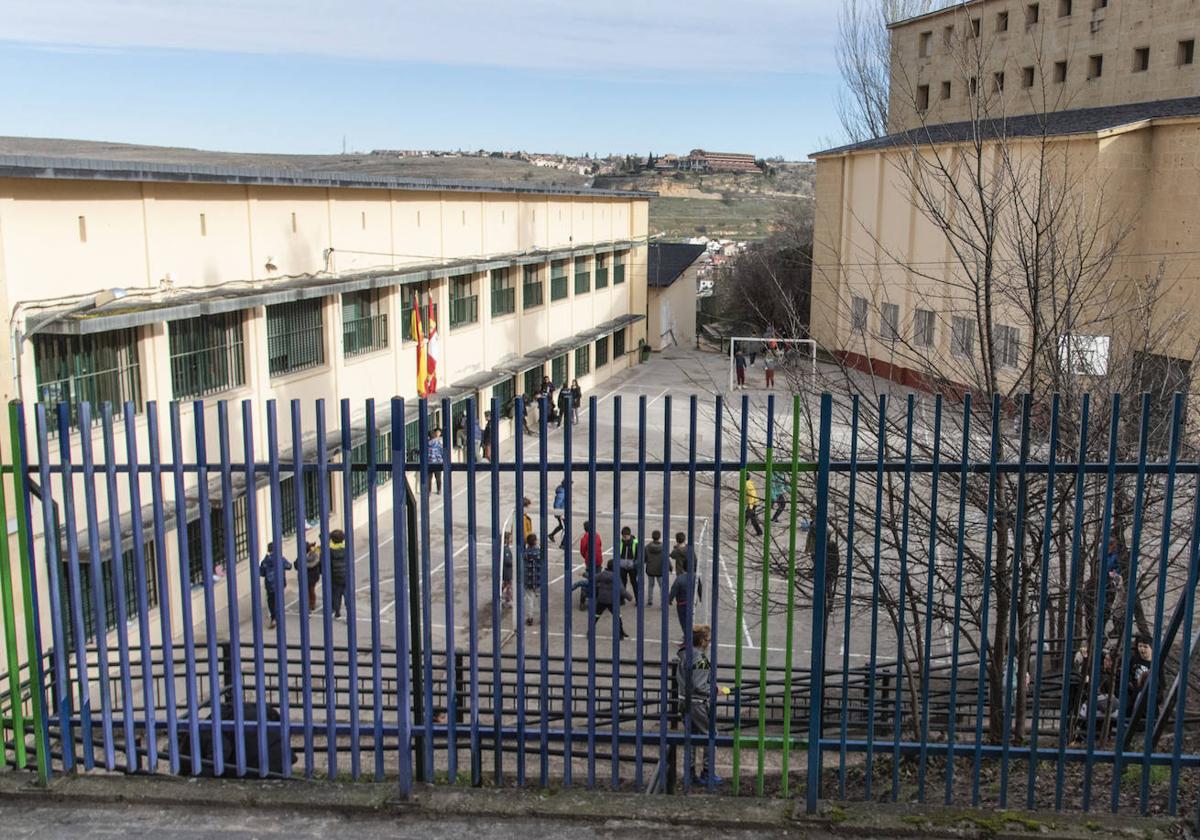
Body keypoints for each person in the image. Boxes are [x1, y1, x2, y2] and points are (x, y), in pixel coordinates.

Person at [674, 624, 721, 786]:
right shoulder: (700, 659)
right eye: (707, 640)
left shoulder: (684, 654)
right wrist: (715, 689)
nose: (709, 643)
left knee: (691, 737)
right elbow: (699, 685)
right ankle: (708, 772)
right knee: (711, 734)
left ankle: (690, 773)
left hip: (683, 700)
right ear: (701, 641)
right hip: (696, 703)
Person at [593, 560, 630, 639]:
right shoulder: (616, 576)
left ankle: (590, 632)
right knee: (618, 617)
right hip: (611, 601)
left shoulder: (603, 574)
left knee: (596, 616)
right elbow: (621, 589)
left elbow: (594, 579)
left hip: (601, 599)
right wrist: (629, 597)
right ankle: (620, 634)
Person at [259, 542, 292, 629]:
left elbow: (261, 573)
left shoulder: (265, 561)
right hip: (279, 583)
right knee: (279, 601)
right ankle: (279, 618)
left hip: (270, 585)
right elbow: (289, 566)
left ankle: (274, 618)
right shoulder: (280, 559)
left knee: (271, 601)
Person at [669, 551, 703, 635]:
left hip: (682, 603)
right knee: (690, 620)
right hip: (692, 602)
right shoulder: (696, 577)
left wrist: (669, 599)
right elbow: (700, 588)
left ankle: (687, 637)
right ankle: (689, 635)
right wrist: (701, 598)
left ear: (684, 568)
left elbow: (674, 590)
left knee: (683, 621)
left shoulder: (680, 579)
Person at [579, 520, 604, 610]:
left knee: (588, 580)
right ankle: (597, 600)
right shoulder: (597, 535)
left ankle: (582, 601)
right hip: (598, 560)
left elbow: (582, 550)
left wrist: (586, 557)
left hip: (590, 561)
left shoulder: (585, 538)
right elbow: (600, 545)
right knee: (597, 580)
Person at [522, 533, 544, 627]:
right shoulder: (539, 552)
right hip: (539, 578)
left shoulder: (526, 553)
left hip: (529, 579)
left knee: (530, 599)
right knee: (540, 599)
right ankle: (542, 617)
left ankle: (530, 617)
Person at [328, 529, 349, 620]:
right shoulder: (345, 549)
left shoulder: (330, 551)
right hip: (345, 575)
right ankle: (349, 612)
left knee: (336, 595)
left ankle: (337, 612)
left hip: (335, 576)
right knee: (347, 594)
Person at [618, 526, 640, 603]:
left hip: (632, 566)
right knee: (622, 583)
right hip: (622, 566)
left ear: (629, 535)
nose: (623, 538)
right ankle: (621, 599)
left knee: (634, 583)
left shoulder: (635, 543)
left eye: (625, 537)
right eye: (623, 536)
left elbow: (639, 555)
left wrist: (635, 564)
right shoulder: (620, 542)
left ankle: (638, 600)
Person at [644, 530, 665, 607]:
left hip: (650, 569)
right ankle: (663, 602)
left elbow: (645, 558)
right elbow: (665, 558)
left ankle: (650, 601)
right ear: (659, 537)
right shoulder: (663, 547)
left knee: (650, 585)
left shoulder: (647, 547)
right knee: (662, 586)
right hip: (660, 569)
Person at [549, 479, 569, 546]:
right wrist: (560, 514)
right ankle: (563, 544)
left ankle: (551, 535)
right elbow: (557, 504)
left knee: (561, 526)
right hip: (561, 513)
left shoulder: (563, 491)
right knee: (567, 528)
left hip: (561, 513)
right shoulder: (562, 493)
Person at [303, 540, 320, 612]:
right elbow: (297, 563)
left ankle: (312, 604)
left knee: (311, 590)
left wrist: (304, 565)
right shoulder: (302, 554)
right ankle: (307, 604)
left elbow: (314, 563)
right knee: (306, 590)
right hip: (305, 575)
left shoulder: (314, 554)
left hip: (312, 576)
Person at [427, 427, 444, 495]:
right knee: (438, 478)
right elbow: (442, 452)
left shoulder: (427, 444)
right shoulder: (438, 444)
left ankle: (429, 491)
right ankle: (439, 490)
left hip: (429, 463)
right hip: (437, 463)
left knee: (429, 478)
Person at [501, 530, 514, 608]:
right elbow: (507, 561)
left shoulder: (505, 548)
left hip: (506, 571)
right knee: (508, 585)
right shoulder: (506, 549)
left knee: (505, 584)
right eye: (509, 538)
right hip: (507, 572)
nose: (511, 540)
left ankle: (501, 595)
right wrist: (514, 562)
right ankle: (507, 600)